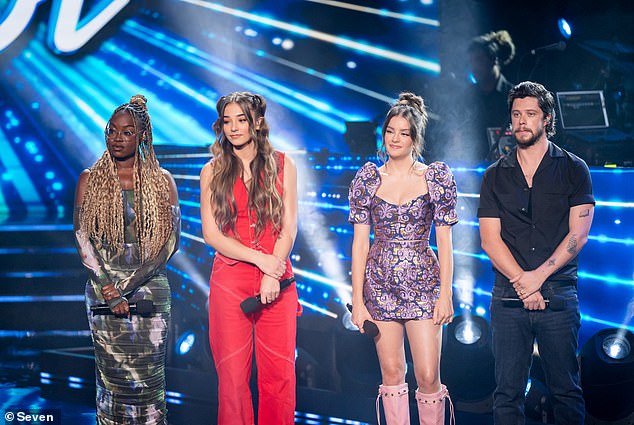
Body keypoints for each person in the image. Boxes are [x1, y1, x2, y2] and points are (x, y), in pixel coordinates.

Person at [478, 81, 594, 424]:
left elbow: (579, 234)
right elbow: (489, 240)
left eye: (530, 114)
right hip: (507, 297)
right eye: (516, 115)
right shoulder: (494, 176)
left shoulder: (574, 169)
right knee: (506, 394)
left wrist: (537, 280)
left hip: (557, 295)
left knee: (566, 391)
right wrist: (521, 282)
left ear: (547, 119)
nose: (521, 122)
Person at [349, 92, 458, 425]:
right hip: (379, 284)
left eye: (404, 133)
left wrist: (445, 294)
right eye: (390, 131)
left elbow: (445, 243)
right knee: (393, 372)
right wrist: (357, 299)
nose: (395, 138)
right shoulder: (368, 178)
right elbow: (359, 245)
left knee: (427, 375)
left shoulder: (434, 177)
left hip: (424, 284)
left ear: (415, 138)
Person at [73, 95, 180, 424]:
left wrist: (127, 288)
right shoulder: (89, 179)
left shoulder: (162, 181)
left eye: (127, 132)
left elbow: (171, 242)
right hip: (103, 290)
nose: (117, 138)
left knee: (149, 385)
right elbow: (81, 237)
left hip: (149, 292)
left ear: (142, 136)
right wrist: (109, 288)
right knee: (112, 383)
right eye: (112, 130)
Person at [200, 92, 299, 425]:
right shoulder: (211, 171)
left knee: (279, 376)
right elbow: (212, 235)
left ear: (257, 122)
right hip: (230, 280)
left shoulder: (284, 164)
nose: (234, 128)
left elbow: (289, 227)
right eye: (227, 121)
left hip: (278, 277)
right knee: (232, 380)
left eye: (241, 119)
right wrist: (261, 261)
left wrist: (273, 271)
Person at [467, 30, 516, 162]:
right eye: (471, 61)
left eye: (478, 60)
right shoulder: (468, 97)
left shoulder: (515, 96)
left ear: (494, 59)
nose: (473, 67)